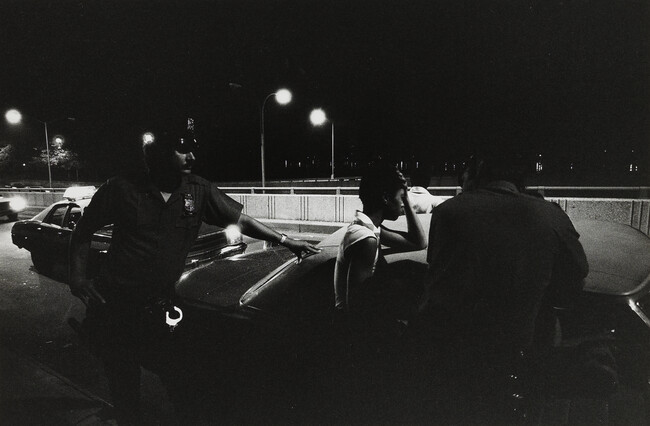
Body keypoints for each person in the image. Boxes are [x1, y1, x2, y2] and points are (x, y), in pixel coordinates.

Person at [68, 115, 320, 424]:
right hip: (117, 305)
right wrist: (77, 278)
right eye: (182, 149)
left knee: (181, 379)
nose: (192, 156)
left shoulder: (198, 190)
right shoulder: (120, 188)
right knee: (124, 383)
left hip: (162, 304)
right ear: (160, 153)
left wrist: (284, 239)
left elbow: (239, 220)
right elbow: (83, 230)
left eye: (193, 149)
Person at [418, 151, 588, 421]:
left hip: (451, 350)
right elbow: (576, 276)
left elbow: (437, 276)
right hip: (514, 353)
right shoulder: (549, 215)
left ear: (479, 170)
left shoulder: (448, 212)